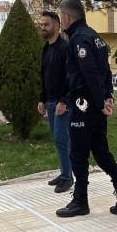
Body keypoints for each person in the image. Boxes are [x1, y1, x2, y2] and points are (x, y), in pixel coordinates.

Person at [54, 0, 117, 218]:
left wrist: (101, 103)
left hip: (84, 104)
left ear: (67, 17)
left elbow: (89, 73)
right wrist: (108, 97)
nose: (61, 21)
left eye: (61, 16)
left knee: (77, 153)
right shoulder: (95, 37)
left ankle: (80, 201)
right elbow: (106, 71)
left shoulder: (79, 39)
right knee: (100, 151)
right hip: (96, 104)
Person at [37, 11, 73, 194]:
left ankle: (68, 177)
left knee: (62, 139)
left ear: (57, 26)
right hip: (50, 102)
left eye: (46, 24)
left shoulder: (65, 48)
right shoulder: (46, 49)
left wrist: (64, 101)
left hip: (62, 104)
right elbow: (44, 77)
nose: (43, 27)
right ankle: (64, 172)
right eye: (41, 25)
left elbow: (71, 77)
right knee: (58, 140)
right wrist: (42, 99)